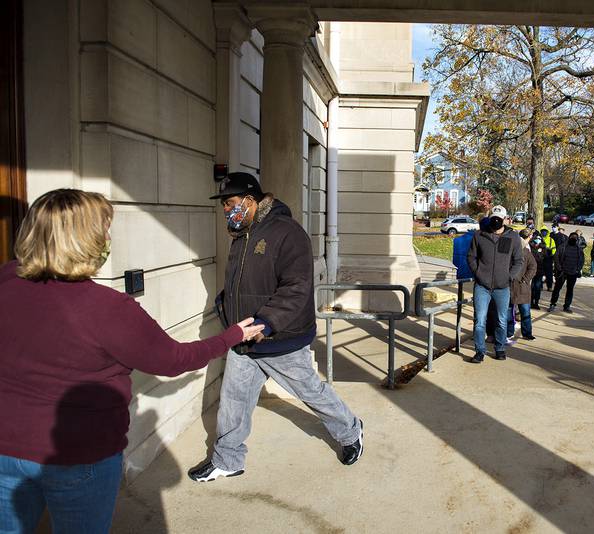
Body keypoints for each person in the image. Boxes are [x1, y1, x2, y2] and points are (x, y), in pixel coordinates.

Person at [0, 189, 264, 533]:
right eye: (103, 229)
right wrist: (232, 336)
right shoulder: (108, 308)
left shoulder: (6, 280)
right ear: (86, 239)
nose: (107, 238)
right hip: (80, 456)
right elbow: (174, 359)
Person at [190, 173, 363, 483]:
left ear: (250, 200)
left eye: (230, 204)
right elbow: (242, 282)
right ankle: (228, 459)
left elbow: (296, 287)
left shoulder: (287, 233)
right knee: (234, 399)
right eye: (225, 206)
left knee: (311, 391)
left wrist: (266, 323)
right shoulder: (241, 234)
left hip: (281, 336)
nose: (227, 211)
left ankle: (351, 431)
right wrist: (225, 305)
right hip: (244, 336)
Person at [467, 205, 523, 363]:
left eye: (500, 219)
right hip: (482, 286)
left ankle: (500, 348)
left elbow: (518, 261)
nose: (496, 221)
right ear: (489, 218)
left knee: (501, 319)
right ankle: (479, 351)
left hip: (502, 287)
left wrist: (509, 277)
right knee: (479, 320)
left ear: (505, 219)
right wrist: (478, 273)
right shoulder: (479, 235)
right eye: (493, 218)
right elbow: (471, 257)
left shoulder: (513, 237)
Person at [548, 232, 585, 313]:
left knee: (570, 290)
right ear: (569, 237)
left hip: (573, 273)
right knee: (557, 289)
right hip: (562, 272)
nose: (574, 238)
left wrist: (578, 269)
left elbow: (581, 260)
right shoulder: (563, 247)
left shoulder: (579, 249)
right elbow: (556, 257)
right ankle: (553, 304)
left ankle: (567, 306)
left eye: (575, 237)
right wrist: (559, 268)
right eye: (572, 237)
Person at [511, 229, 537, 341]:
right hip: (511, 285)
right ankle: (508, 332)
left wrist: (525, 279)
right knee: (509, 311)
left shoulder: (526, 253)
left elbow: (533, 267)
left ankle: (527, 332)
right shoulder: (509, 253)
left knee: (525, 311)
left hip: (522, 287)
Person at [530, 235, 546, 310]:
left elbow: (544, 259)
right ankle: (530, 302)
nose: (538, 240)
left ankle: (536, 302)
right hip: (531, 271)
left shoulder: (543, 248)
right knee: (531, 287)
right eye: (537, 239)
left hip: (540, 271)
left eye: (540, 239)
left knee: (537, 287)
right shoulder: (531, 247)